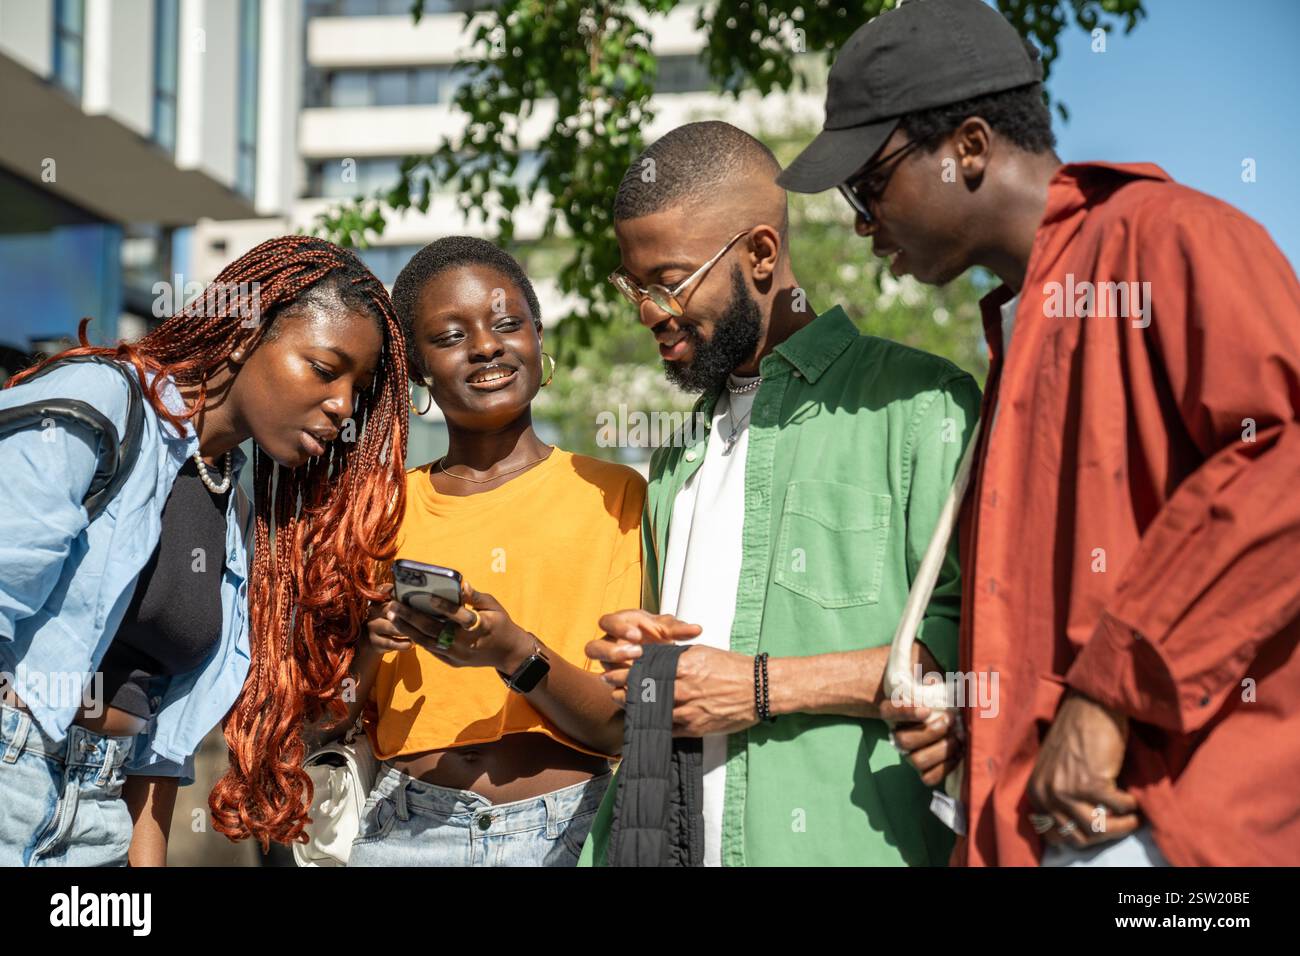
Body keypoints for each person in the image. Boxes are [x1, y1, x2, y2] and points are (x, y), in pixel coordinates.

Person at [779, 0, 1300, 866]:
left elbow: (1284, 460)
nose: (864, 226)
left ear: (970, 149)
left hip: (1179, 828)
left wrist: (1109, 696)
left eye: (869, 185)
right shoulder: (1020, 332)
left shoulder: (1167, 239)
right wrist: (981, 720)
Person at [580, 120, 981, 866]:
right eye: (634, 286)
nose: (647, 313)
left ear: (761, 254)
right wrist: (643, 657)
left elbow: (979, 656)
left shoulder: (921, 405)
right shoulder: (676, 456)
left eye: (669, 283)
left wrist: (761, 687)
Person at [0, 235, 410, 866]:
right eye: (325, 370)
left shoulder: (232, 511)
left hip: (101, 811)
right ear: (244, 336)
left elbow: (159, 737)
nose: (342, 406)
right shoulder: (105, 401)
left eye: (358, 388)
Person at [329, 237, 643, 867]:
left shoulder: (613, 495)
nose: (486, 346)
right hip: (407, 833)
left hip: (571, 829)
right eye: (449, 337)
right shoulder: (378, 506)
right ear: (416, 368)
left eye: (506, 324)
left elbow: (620, 721)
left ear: (537, 335)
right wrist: (369, 643)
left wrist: (512, 651)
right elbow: (325, 720)